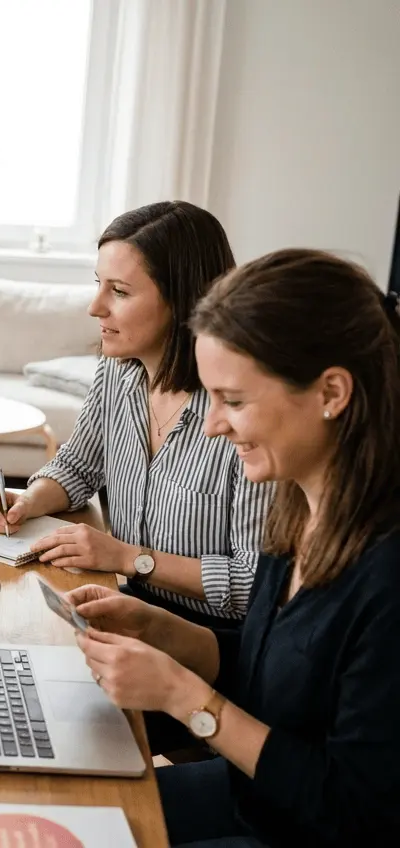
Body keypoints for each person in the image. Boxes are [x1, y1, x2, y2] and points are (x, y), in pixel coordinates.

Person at [68, 249, 400, 847]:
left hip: (307, 829)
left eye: (234, 401)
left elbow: (354, 809)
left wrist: (181, 695)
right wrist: (158, 628)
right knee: (63, 813)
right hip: (254, 795)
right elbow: (270, 677)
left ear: (332, 392)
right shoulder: (296, 507)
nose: (213, 424)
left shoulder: (386, 573)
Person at [0, 201, 272, 626]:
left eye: (118, 291)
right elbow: (79, 465)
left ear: (183, 300)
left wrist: (129, 557)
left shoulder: (241, 418)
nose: (95, 306)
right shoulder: (116, 371)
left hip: (211, 639)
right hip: (123, 603)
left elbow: (255, 584)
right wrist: (28, 501)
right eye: (99, 284)